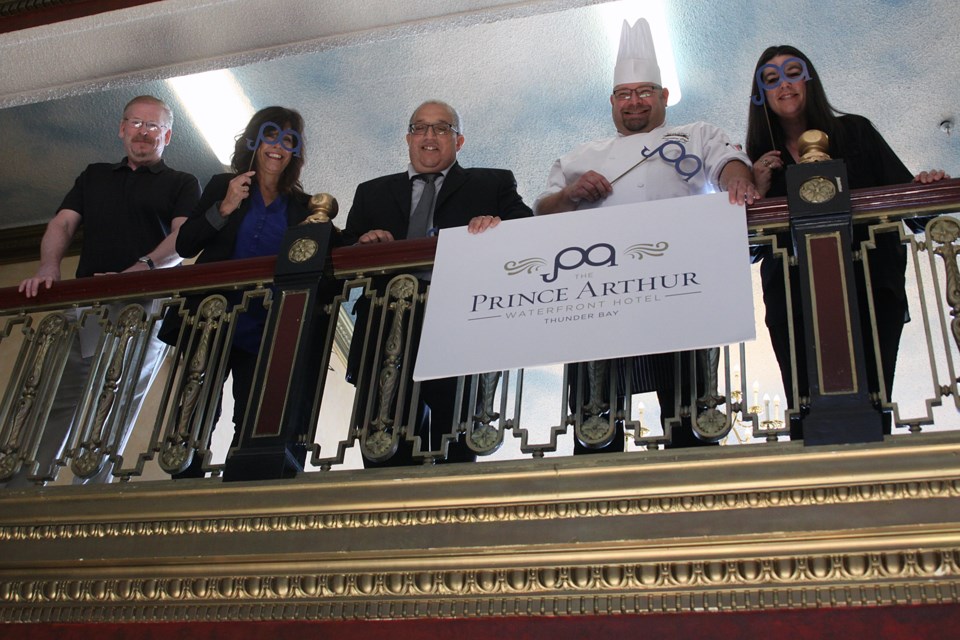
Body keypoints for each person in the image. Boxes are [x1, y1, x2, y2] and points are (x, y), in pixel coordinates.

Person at [534, 19, 759, 451]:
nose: (634, 102)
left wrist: (735, 180)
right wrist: (570, 194)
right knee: (594, 414)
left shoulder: (695, 133)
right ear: (612, 102)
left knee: (689, 409)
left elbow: (728, 162)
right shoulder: (579, 155)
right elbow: (541, 210)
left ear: (664, 96)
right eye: (624, 94)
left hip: (680, 287)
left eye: (644, 92)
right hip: (600, 295)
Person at [745, 45, 950, 437]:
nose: (784, 84)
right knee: (806, 406)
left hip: (869, 285)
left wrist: (925, 190)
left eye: (792, 72)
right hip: (794, 298)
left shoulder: (855, 131)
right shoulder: (760, 159)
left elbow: (910, 207)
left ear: (809, 80)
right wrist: (755, 188)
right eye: (771, 80)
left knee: (872, 396)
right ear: (761, 96)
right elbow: (749, 247)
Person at [11, 95, 200, 486]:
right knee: (53, 399)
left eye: (153, 126)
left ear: (167, 134)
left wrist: (137, 270)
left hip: (142, 308)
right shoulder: (94, 175)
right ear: (121, 128)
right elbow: (62, 225)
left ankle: (91, 493)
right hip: (85, 306)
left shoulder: (181, 182)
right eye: (136, 123)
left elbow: (184, 241)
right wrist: (49, 267)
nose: (143, 133)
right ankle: (25, 489)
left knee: (115, 401)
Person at [343, 99, 533, 466]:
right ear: (408, 138)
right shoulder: (372, 192)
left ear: (458, 141)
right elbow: (345, 249)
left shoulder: (493, 182)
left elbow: (527, 230)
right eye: (420, 127)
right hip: (385, 327)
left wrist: (497, 225)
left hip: (461, 322)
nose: (429, 136)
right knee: (384, 444)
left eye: (442, 128)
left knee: (456, 442)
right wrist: (361, 244)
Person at [165, 106, 318, 478]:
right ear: (254, 140)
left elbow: (320, 252)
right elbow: (185, 244)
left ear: (294, 153)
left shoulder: (303, 206)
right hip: (211, 319)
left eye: (288, 141)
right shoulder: (222, 184)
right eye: (271, 136)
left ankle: (240, 484)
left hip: (265, 325)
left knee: (253, 413)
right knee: (196, 407)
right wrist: (226, 206)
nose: (277, 147)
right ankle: (185, 483)